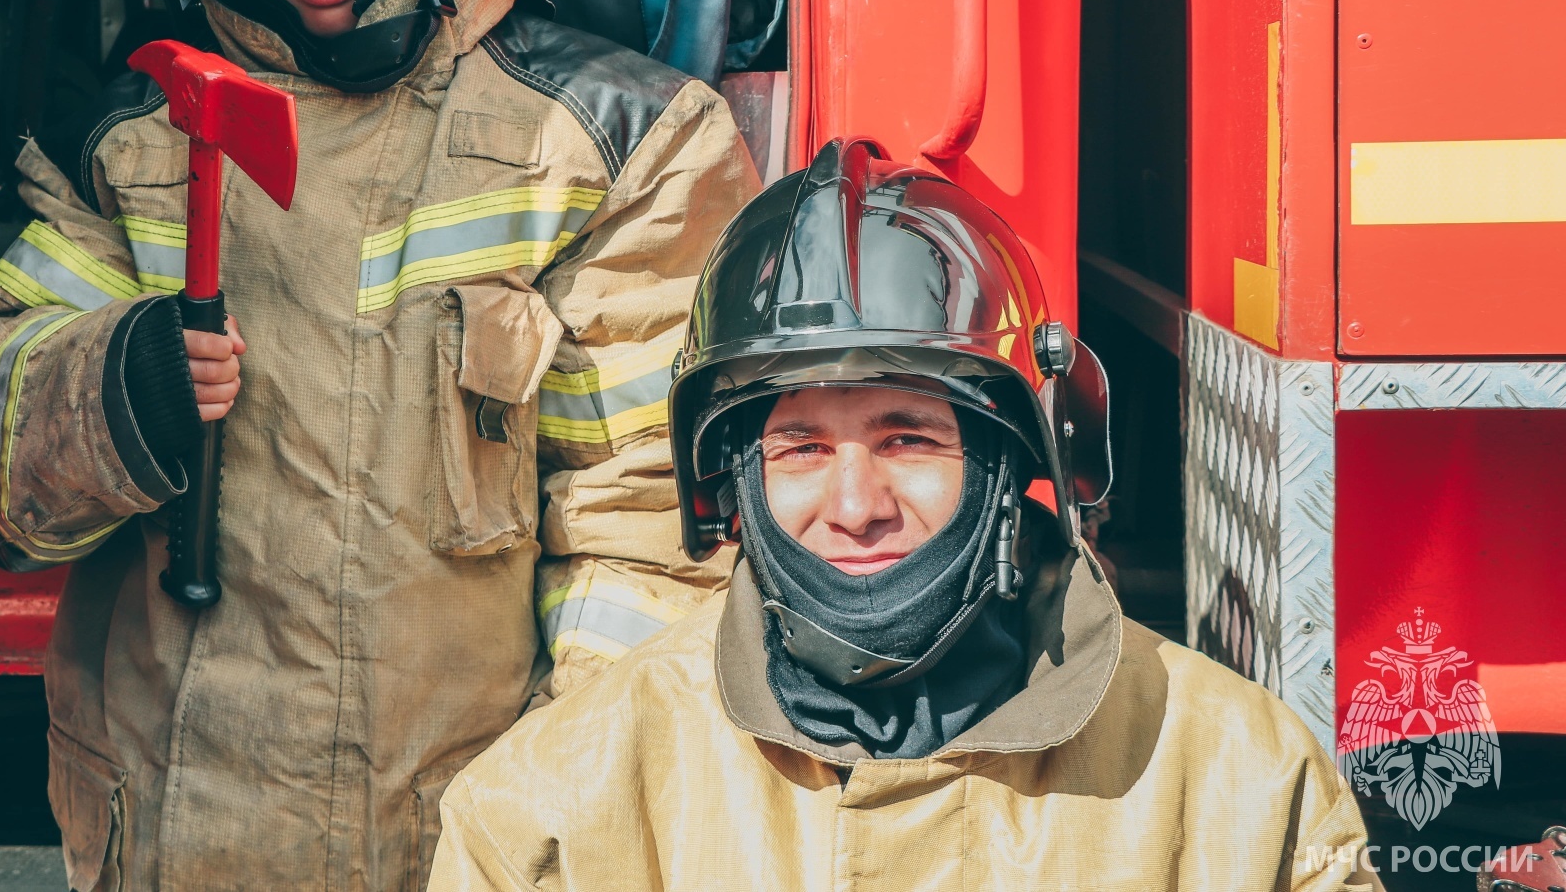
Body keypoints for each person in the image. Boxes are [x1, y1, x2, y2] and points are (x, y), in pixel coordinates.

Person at [0, 0, 759, 890]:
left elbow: (641, 541)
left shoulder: (614, 145)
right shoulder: (132, 146)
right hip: (175, 837)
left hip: (474, 839)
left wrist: (563, 818)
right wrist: (112, 392)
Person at [429, 139, 1381, 892]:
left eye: (910, 440)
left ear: (1017, 461)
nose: (855, 507)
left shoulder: (1242, 783)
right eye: (800, 446)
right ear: (731, 482)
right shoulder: (549, 809)